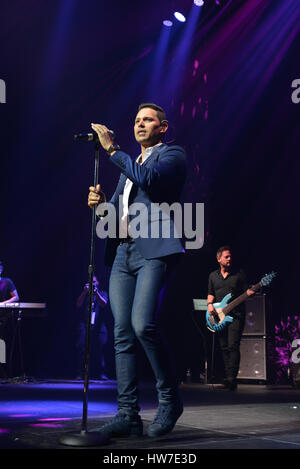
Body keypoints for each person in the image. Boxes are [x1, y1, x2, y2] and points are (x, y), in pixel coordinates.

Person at [88, 103, 187, 438]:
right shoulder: (126, 169)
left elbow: (151, 181)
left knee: (143, 323)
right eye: (136, 120)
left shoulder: (172, 155)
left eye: (148, 120)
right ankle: (128, 414)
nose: (140, 124)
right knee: (122, 333)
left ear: (163, 127)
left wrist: (113, 149)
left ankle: (170, 399)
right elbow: (112, 219)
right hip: (122, 253)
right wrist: (100, 207)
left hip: (154, 250)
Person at [207, 246, 255, 391]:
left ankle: (231, 379)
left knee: (233, 345)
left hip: (236, 316)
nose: (229, 259)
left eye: (230, 257)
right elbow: (210, 294)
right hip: (220, 317)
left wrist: (251, 292)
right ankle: (228, 378)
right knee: (224, 347)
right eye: (226, 257)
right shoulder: (212, 276)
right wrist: (210, 305)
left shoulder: (239, 274)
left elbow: (247, 291)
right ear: (219, 259)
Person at [76, 275, 109, 380]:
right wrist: (84, 292)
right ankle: (81, 373)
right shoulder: (85, 294)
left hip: (99, 326)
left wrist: (96, 293)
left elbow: (104, 304)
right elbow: (78, 304)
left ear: (98, 283)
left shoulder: (102, 292)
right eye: (90, 282)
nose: (92, 284)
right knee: (82, 348)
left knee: (99, 349)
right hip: (85, 325)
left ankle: (101, 373)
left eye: (94, 282)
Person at [0, 261, 19, 378]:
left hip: (2, 316)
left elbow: (16, 297)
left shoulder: (7, 281)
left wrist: (2, 303)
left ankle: (2, 370)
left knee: (1, 342)